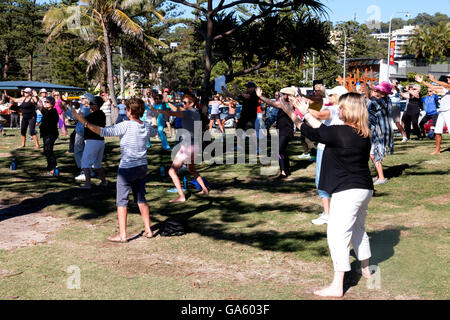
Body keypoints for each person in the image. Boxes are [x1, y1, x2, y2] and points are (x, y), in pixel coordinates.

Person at [281, 92, 374, 298]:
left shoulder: (340, 132)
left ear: (348, 110)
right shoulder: (363, 132)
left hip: (347, 191)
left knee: (337, 235)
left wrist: (303, 113)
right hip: (364, 188)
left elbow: (316, 132)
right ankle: (366, 269)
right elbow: (318, 130)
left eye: (340, 107)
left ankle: (337, 285)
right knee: (358, 229)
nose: (337, 110)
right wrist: (299, 114)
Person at [70, 98, 157, 242]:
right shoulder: (146, 126)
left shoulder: (126, 125)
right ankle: (148, 230)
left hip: (127, 169)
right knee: (141, 198)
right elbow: (154, 132)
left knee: (121, 201)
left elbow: (102, 131)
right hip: (142, 167)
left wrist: (83, 121)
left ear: (129, 111)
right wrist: (155, 115)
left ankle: (123, 235)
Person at [151, 93, 209, 202]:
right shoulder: (196, 112)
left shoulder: (187, 113)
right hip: (195, 146)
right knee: (191, 169)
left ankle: (181, 196)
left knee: (171, 172)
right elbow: (177, 109)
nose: (183, 103)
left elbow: (171, 112)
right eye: (183, 102)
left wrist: (158, 111)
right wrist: (168, 103)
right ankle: (204, 189)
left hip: (187, 147)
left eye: (185, 102)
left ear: (191, 103)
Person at [305, 86, 348, 225]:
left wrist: (303, 108)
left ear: (338, 97)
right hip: (339, 148)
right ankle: (335, 211)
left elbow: (317, 115)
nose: (328, 97)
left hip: (326, 148)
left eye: (331, 95)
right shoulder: (346, 111)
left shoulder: (333, 109)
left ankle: (327, 213)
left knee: (321, 180)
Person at [256, 86, 296, 180]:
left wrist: (260, 96)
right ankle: (286, 169)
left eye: (285, 94)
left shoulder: (289, 104)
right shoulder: (284, 103)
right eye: (283, 94)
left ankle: (283, 172)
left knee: (279, 150)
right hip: (281, 130)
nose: (282, 96)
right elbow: (274, 103)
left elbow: (272, 103)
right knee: (282, 151)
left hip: (286, 131)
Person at [367, 82, 394, 185]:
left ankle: (382, 178)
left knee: (375, 154)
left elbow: (373, 105)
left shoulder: (382, 101)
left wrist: (371, 98)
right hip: (380, 130)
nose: (375, 91)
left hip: (380, 131)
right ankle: (378, 175)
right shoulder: (384, 100)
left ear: (383, 92)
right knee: (373, 153)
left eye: (377, 90)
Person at [415, 74, 450, 154]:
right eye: (448, 78)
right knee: (437, 131)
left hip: (449, 111)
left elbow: (445, 85)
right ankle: (437, 150)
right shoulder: (444, 88)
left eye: (449, 78)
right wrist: (422, 81)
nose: (448, 79)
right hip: (442, 111)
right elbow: (432, 87)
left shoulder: (448, 87)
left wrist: (434, 80)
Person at [79, 96, 108, 189]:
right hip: (100, 141)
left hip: (92, 141)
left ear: (96, 105)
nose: (90, 105)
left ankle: (88, 184)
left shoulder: (94, 115)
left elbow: (82, 120)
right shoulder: (101, 114)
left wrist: (76, 112)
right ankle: (104, 182)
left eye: (91, 104)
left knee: (85, 163)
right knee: (97, 164)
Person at [65, 93, 94, 181]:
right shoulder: (85, 107)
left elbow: (76, 117)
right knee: (84, 152)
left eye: (83, 99)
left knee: (78, 152)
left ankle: (84, 171)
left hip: (82, 132)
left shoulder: (86, 108)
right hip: (83, 131)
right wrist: (67, 108)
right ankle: (89, 170)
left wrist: (67, 108)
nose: (81, 100)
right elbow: (74, 116)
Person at [38, 96, 59, 176]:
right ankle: (50, 166)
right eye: (45, 102)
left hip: (51, 134)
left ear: (52, 104)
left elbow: (43, 110)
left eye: (47, 102)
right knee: (46, 151)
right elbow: (41, 108)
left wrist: (40, 104)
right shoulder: (47, 111)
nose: (45, 103)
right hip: (46, 134)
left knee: (49, 151)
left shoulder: (53, 111)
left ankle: (53, 168)